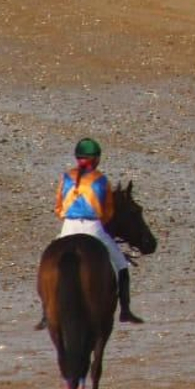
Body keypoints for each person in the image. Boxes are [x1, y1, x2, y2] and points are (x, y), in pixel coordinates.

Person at [51, 138, 144, 324]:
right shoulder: (101, 180)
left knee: (51, 262)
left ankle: (47, 313)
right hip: (93, 228)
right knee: (121, 265)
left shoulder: (66, 177)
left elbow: (59, 208)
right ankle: (125, 310)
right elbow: (107, 212)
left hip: (68, 226)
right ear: (96, 159)